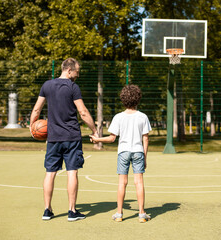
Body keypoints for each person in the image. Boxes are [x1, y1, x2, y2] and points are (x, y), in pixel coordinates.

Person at [30, 58, 98, 222]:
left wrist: (32, 125)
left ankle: (47, 210)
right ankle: (72, 211)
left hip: (53, 138)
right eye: (77, 71)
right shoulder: (73, 87)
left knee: (50, 173)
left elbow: (37, 108)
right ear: (69, 70)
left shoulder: (47, 85)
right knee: (72, 172)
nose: (78, 75)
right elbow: (82, 112)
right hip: (71, 137)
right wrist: (94, 130)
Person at [90, 84, 152, 223]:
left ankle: (119, 214)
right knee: (139, 182)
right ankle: (142, 214)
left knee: (122, 183)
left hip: (123, 152)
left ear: (123, 99)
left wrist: (97, 139)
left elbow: (112, 138)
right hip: (138, 152)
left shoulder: (118, 117)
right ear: (138, 99)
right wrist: (145, 157)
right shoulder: (143, 117)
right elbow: (145, 138)